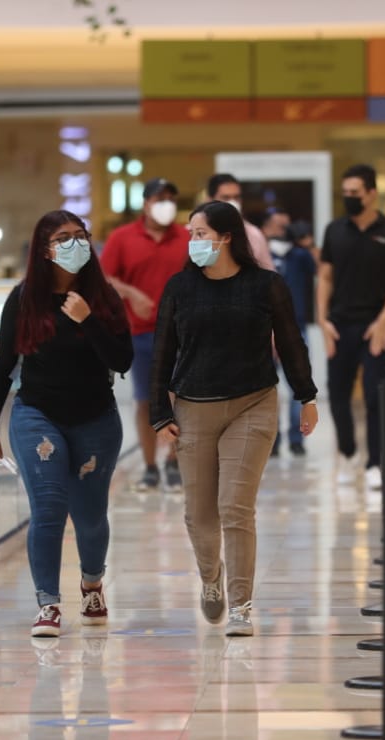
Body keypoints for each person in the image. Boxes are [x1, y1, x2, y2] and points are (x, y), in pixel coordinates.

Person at [150, 201, 318, 637]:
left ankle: (242, 605)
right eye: (191, 234)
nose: (193, 242)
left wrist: (307, 395)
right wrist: (158, 410)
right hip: (192, 407)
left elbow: (291, 341)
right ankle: (212, 578)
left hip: (253, 403)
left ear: (227, 237)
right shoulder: (179, 288)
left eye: (201, 233)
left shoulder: (266, 285)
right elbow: (162, 353)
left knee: (235, 508)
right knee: (199, 512)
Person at [0, 210, 133, 639]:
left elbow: (122, 361)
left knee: (89, 514)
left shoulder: (103, 298)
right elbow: (4, 365)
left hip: (96, 418)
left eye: (80, 235)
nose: (74, 243)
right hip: (37, 414)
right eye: (63, 237)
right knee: (47, 507)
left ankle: (92, 584)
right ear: (45, 250)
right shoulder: (24, 298)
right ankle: (47, 602)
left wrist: (89, 320)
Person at [316, 163, 385, 491]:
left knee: (375, 396)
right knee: (337, 395)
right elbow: (325, 276)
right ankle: (348, 452)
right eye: (345, 194)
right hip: (339, 326)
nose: (349, 198)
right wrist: (322, 319)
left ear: (372, 194)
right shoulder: (334, 230)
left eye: (354, 193)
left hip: (376, 327)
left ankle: (375, 463)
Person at [100, 178, 189, 492]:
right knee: (145, 400)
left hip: (182, 332)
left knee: (178, 399)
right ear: (146, 203)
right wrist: (131, 294)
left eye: (170, 198)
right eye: (159, 198)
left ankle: (174, 461)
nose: (165, 204)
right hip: (139, 331)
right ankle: (150, 465)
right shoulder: (123, 237)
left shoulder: (186, 236)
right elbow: (104, 276)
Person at [268, 215, 317, 457]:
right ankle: (272, 439)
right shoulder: (261, 252)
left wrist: (306, 243)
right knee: (267, 388)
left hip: (296, 328)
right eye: (278, 224)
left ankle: (297, 438)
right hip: (265, 330)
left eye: (287, 224)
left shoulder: (300, 256)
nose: (283, 229)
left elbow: (322, 269)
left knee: (298, 384)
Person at [205, 173, 275, 271]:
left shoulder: (254, 234)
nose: (233, 202)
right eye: (226, 197)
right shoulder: (195, 232)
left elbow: (269, 274)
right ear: (209, 200)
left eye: (236, 197)